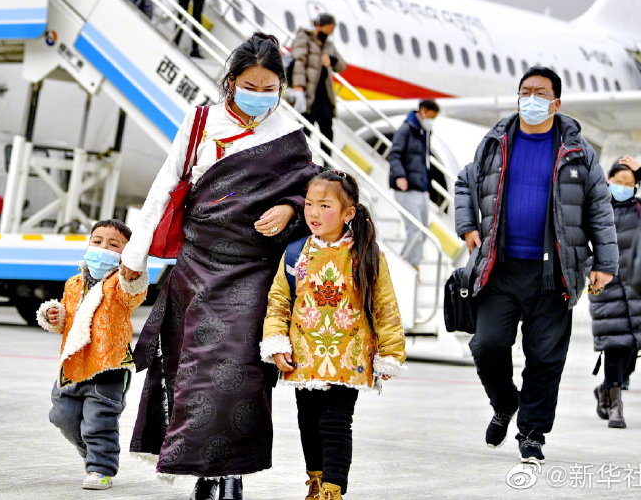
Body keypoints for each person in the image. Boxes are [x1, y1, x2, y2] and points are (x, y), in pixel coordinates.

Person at [121, 33, 319, 500]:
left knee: (241, 372)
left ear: (281, 87)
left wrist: (289, 208)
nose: (260, 96)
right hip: (197, 264)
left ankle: (230, 473)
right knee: (195, 370)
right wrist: (135, 256)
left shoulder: (289, 134)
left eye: (269, 88)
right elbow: (166, 184)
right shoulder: (199, 122)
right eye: (250, 86)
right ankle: (203, 472)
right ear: (231, 82)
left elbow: (312, 190)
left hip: (253, 269)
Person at [454, 66, 618, 464]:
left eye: (540, 93)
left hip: (554, 272)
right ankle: (505, 403)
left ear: (556, 103)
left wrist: (605, 262)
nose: (531, 99)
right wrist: (467, 226)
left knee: (545, 359)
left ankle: (532, 433)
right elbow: (464, 183)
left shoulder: (577, 151)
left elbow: (599, 207)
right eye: (525, 91)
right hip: (499, 267)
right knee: (487, 345)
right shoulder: (494, 143)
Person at [261, 170, 405, 500]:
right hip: (304, 357)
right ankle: (315, 481)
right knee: (308, 421)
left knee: (336, 422)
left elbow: (385, 306)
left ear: (348, 212)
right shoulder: (295, 253)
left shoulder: (367, 255)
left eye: (325, 206)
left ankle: (333, 488)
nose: (313, 213)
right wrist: (276, 341)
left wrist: (390, 353)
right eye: (309, 204)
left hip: (348, 358)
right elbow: (279, 301)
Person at [36, 219, 148, 491]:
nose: (103, 248)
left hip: (108, 366)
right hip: (73, 363)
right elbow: (67, 319)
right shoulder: (73, 283)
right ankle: (93, 453)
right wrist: (54, 316)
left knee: (99, 421)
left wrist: (133, 267)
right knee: (61, 416)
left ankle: (101, 468)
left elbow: (134, 290)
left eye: (113, 244)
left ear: (125, 252)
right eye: (97, 241)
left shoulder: (121, 285)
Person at [588, 157, 641, 428]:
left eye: (629, 184)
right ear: (608, 180)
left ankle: (606, 388)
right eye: (619, 182)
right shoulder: (594, 209)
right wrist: (591, 271)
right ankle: (616, 405)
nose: (623, 187)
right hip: (606, 287)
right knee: (614, 346)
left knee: (632, 347)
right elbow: (580, 243)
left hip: (637, 289)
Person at [387, 99, 440, 267]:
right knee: (415, 230)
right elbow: (394, 154)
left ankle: (404, 262)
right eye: (431, 116)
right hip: (407, 188)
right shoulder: (406, 130)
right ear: (422, 111)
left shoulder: (424, 132)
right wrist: (400, 176)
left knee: (423, 231)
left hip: (421, 188)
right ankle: (412, 266)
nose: (431, 121)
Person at [291, 14, 347, 159]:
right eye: (328, 29)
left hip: (324, 94)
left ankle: (327, 161)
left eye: (331, 31)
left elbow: (342, 66)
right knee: (305, 129)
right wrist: (298, 87)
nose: (329, 33)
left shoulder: (329, 45)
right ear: (320, 26)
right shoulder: (305, 38)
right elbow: (299, 62)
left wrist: (332, 60)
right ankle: (300, 161)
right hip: (308, 93)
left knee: (327, 128)